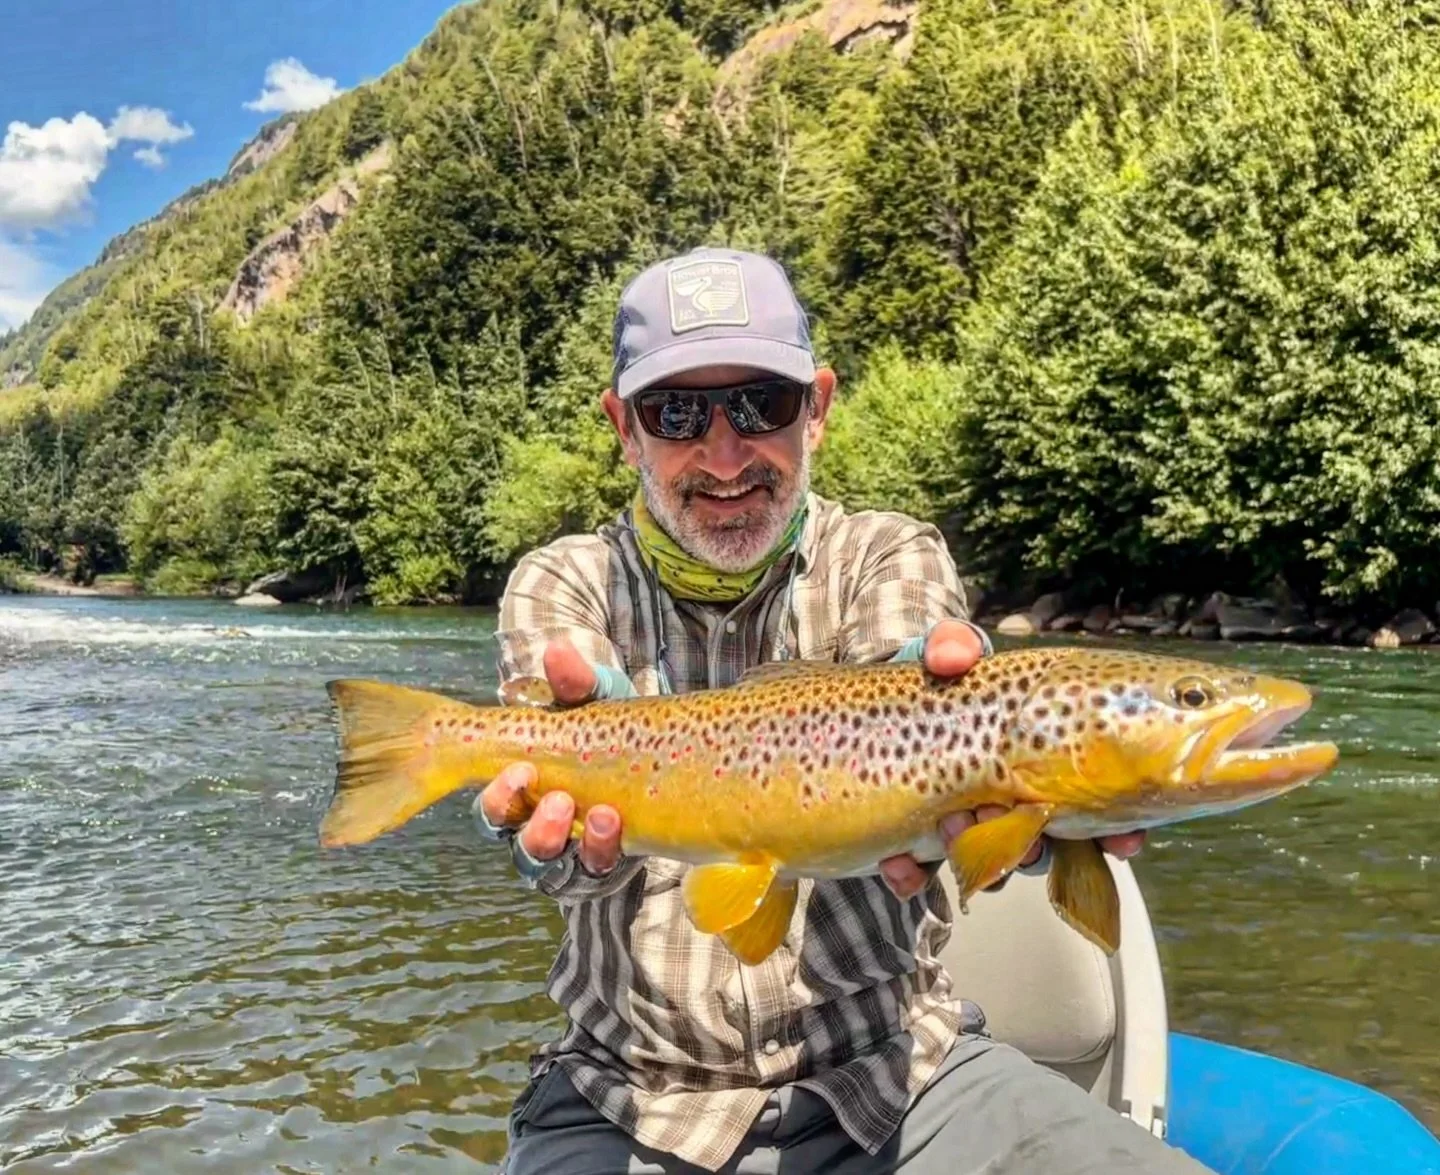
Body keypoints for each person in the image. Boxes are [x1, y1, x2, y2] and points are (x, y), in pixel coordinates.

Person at [475, 247, 1211, 1174]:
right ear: (624, 430)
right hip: (626, 1098)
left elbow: (910, 664)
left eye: (760, 405)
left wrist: (938, 712)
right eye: (677, 413)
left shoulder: (887, 554)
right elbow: (559, 870)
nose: (725, 451)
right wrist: (562, 831)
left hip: (902, 1075)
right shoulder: (562, 583)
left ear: (816, 409)